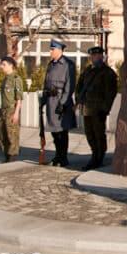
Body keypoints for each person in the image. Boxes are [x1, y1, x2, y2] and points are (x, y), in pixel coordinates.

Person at [75, 46, 118, 171]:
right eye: (91, 56)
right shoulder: (88, 70)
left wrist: (105, 108)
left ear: (100, 56)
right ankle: (94, 154)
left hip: (98, 109)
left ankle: (99, 157)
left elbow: (110, 92)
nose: (92, 58)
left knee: (99, 134)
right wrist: (78, 99)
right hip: (87, 108)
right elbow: (79, 86)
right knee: (89, 133)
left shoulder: (107, 72)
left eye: (94, 56)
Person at [43, 39, 76, 167]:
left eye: (53, 49)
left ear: (59, 50)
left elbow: (70, 85)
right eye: (50, 49)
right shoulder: (51, 64)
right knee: (54, 131)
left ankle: (63, 157)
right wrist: (43, 100)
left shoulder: (68, 64)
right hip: (51, 100)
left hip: (62, 101)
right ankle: (58, 155)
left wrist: (63, 102)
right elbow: (46, 83)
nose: (50, 51)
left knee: (62, 131)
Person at [0, 55, 23, 162]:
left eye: (4, 65)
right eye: (1, 64)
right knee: (3, 133)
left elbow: (19, 98)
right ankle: (6, 156)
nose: (1, 67)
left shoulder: (16, 79)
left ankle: (12, 158)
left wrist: (16, 113)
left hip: (12, 110)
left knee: (11, 134)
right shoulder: (5, 79)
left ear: (11, 65)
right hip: (4, 110)